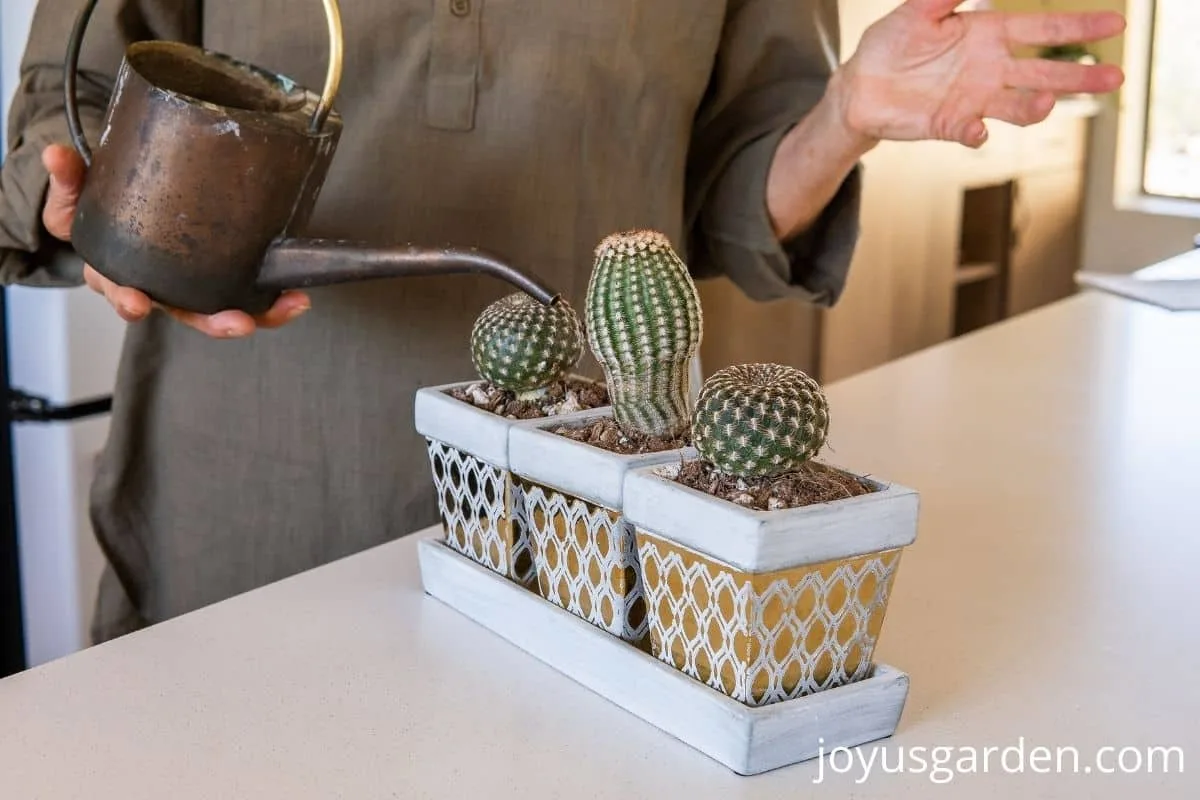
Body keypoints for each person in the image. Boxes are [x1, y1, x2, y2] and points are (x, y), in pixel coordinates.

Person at [0, 0, 1123, 644]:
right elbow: (74, 102)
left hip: (587, 515)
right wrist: (83, 193)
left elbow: (734, 200)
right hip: (249, 508)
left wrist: (845, 118)